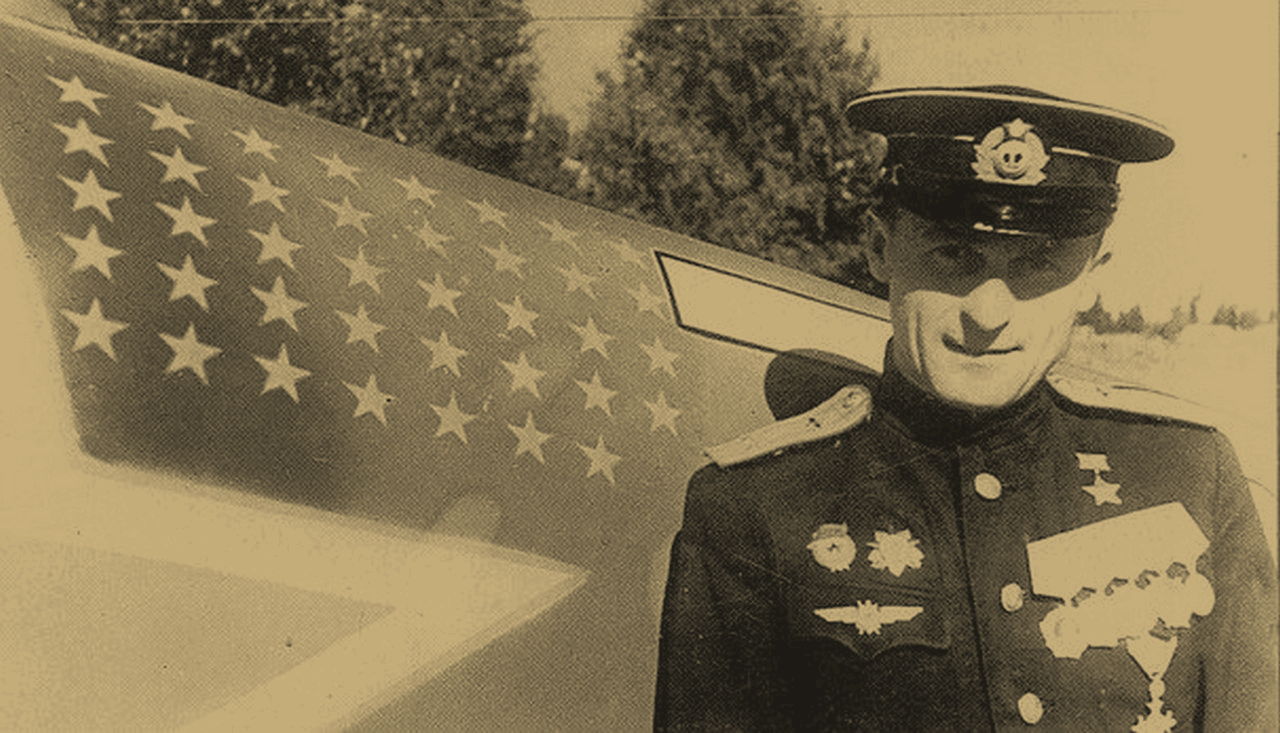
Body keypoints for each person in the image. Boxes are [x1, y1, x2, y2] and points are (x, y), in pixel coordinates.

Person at [654, 86, 1277, 731]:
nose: (988, 312)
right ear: (879, 249)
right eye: (954, 255)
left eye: (1039, 264)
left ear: (1094, 276)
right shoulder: (755, 506)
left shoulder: (1187, 473)